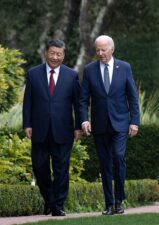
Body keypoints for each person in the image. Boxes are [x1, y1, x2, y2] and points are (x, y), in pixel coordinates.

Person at [79, 35, 140, 215]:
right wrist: (84, 119)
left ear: (112, 49)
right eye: (97, 50)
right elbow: (83, 100)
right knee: (105, 163)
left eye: (103, 50)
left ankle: (119, 200)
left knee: (118, 156)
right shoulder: (89, 70)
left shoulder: (125, 67)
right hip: (99, 125)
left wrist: (134, 121)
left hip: (120, 123)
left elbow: (132, 97)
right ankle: (108, 203)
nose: (100, 53)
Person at [23, 39, 81, 216]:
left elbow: (78, 104)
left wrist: (78, 126)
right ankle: (50, 200)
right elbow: (28, 102)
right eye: (52, 53)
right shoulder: (33, 74)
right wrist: (27, 124)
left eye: (59, 54)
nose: (55, 57)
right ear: (46, 53)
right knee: (40, 167)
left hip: (63, 130)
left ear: (63, 55)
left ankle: (58, 206)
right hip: (39, 130)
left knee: (61, 169)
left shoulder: (72, 75)